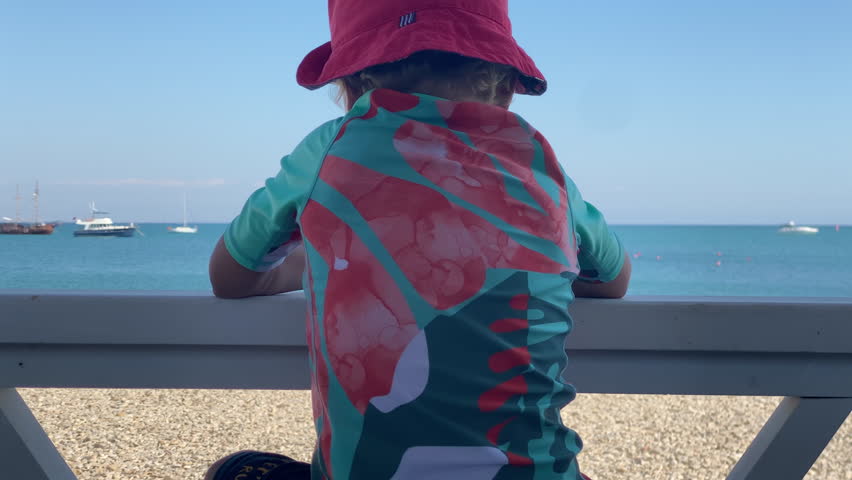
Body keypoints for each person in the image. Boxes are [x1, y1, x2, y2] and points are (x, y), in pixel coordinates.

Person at [207, 0, 631, 478]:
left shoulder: (331, 147)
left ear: (352, 82)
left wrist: (312, 263)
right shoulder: (539, 165)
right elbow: (614, 278)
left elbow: (230, 275)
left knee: (234, 470)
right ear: (508, 84)